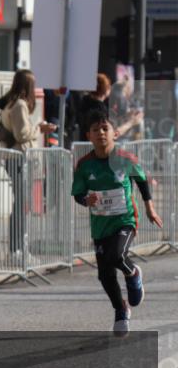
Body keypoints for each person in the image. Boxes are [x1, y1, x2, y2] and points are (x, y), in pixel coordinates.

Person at [71, 110, 163, 336]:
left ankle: (133, 275)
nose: (101, 133)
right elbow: (78, 194)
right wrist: (87, 200)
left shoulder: (125, 159)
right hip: (101, 225)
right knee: (105, 275)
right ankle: (121, 309)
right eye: (96, 130)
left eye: (105, 129)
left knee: (117, 256)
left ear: (114, 134)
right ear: (89, 136)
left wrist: (149, 208)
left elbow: (141, 181)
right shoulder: (84, 164)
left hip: (125, 220)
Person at [0, 69, 56, 255]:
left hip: (14, 158)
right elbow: (21, 135)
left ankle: (18, 248)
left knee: (21, 203)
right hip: (19, 158)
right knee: (21, 204)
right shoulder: (19, 105)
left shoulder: (10, 103)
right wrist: (40, 128)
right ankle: (17, 248)